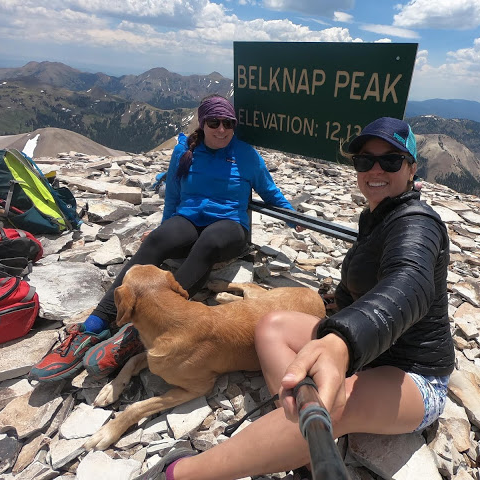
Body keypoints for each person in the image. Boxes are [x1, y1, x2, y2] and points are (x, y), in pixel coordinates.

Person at [146, 117, 454, 480]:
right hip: (365, 347)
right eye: (364, 161)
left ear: (411, 168)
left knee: (331, 405)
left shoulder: (419, 222)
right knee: (272, 325)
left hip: (412, 373)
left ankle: (179, 473)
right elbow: (362, 285)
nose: (375, 169)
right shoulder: (378, 217)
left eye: (390, 161)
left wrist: (341, 340)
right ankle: (303, 441)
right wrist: (337, 315)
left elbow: (410, 284)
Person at [30, 94, 299, 382]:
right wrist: (164, 228)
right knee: (157, 241)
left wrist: (292, 217)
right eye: (214, 122)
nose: (222, 129)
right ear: (203, 122)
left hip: (230, 226)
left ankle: (137, 333)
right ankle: (95, 324)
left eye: (228, 123)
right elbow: (173, 195)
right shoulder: (185, 150)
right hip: (189, 218)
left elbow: (270, 193)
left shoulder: (245, 154)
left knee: (208, 243)